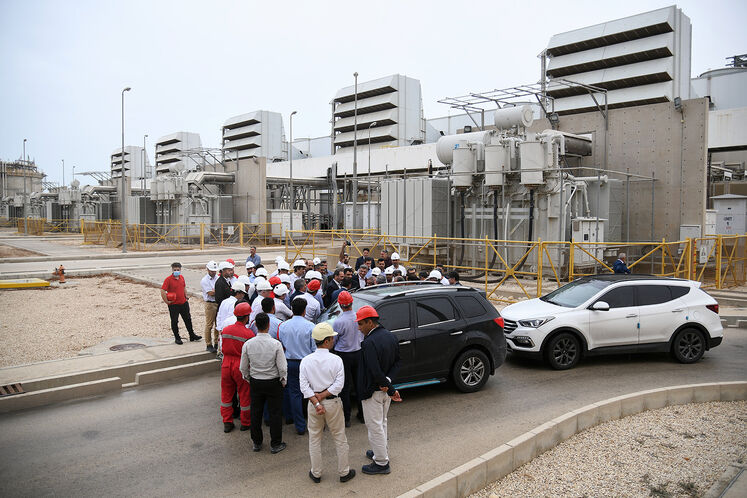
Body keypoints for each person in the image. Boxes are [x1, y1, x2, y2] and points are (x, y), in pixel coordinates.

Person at [301, 322, 356, 484]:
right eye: (331, 338)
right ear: (326, 341)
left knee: (314, 439)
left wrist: (316, 402)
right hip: (333, 403)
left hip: (313, 405)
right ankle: (344, 472)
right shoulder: (336, 360)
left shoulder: (306, 361)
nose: (333, 340)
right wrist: (323, 396)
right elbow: (339, 385)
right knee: (339, 437)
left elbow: (304, 386)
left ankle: (316, 473)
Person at [356, 306, 401, 475]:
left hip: (372, 390)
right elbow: (398, 362)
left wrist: (387, 387)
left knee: (374, 426)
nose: (359, 328)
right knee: (382, 422)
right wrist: (388, 384)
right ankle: (380, 451)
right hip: (383, 389)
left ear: (369, 322)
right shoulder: (391, 336)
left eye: (360, 324)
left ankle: (381, 462)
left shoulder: (369, 342)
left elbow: (374, 370)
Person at [240, 312, 288, 454]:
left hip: (256, 382)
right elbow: (282, 367)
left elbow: (243, 367)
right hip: (273, 382)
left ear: (255, 325)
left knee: (256, 413)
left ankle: (257, 442)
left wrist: (249, 378)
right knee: (275, 413)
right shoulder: (276, 344)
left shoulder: (248, 344)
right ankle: (275, 443)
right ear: (268, 325)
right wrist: (283, 380)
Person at [278, 298, 316, 435]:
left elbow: (281, 344)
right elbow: (314, 348)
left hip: (290, 362)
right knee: (311, 391)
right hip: (307, 362)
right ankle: (313, 421)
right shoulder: (310, 326)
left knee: (294, 393)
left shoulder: (283, 326)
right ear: (305, 310)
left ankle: (299, 425)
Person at [220, 302, 255, 433]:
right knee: (244, 394)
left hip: (226, 364)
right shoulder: (249, 334)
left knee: (226, 395)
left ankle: (227, 422)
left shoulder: (226, 330)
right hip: (240, 365)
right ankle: (245, 423)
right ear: (247, 317)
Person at [332, 291, 364, 427]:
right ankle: (362, 414)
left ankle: (346, 418)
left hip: (344, 355)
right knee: (359, 385)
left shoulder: (338, 321)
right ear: (352, 303)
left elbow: (334, 340)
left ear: (340, 304)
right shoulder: (359, 317)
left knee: (344, 387)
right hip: (358, 353)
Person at [160, 262, 201, 345]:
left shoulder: (182, 277)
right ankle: (177, 337)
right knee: (174, 321)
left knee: (188, 319)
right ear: (172, 270)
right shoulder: (168, 279)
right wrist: (166, 301)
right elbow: (162, 290)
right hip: (174, 304)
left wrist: (186, 296)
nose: (176, 271)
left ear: (180, 270)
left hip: (183, 303)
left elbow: (184, 287)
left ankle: (192, 335)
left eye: (178, 270)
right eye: (175, 270)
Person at [201, 261, 220, 353]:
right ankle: (208, 343)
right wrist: (218, 291)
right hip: (210, 303)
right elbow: (210, 293)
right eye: (212, 271)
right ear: (207, 269)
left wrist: (216, 291)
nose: (213, 272)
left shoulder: (218, 278)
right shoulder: (205, 280)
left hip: (217, 302)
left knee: (218, 324)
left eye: (214, 271)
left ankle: (216, 342)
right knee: (209, 325)